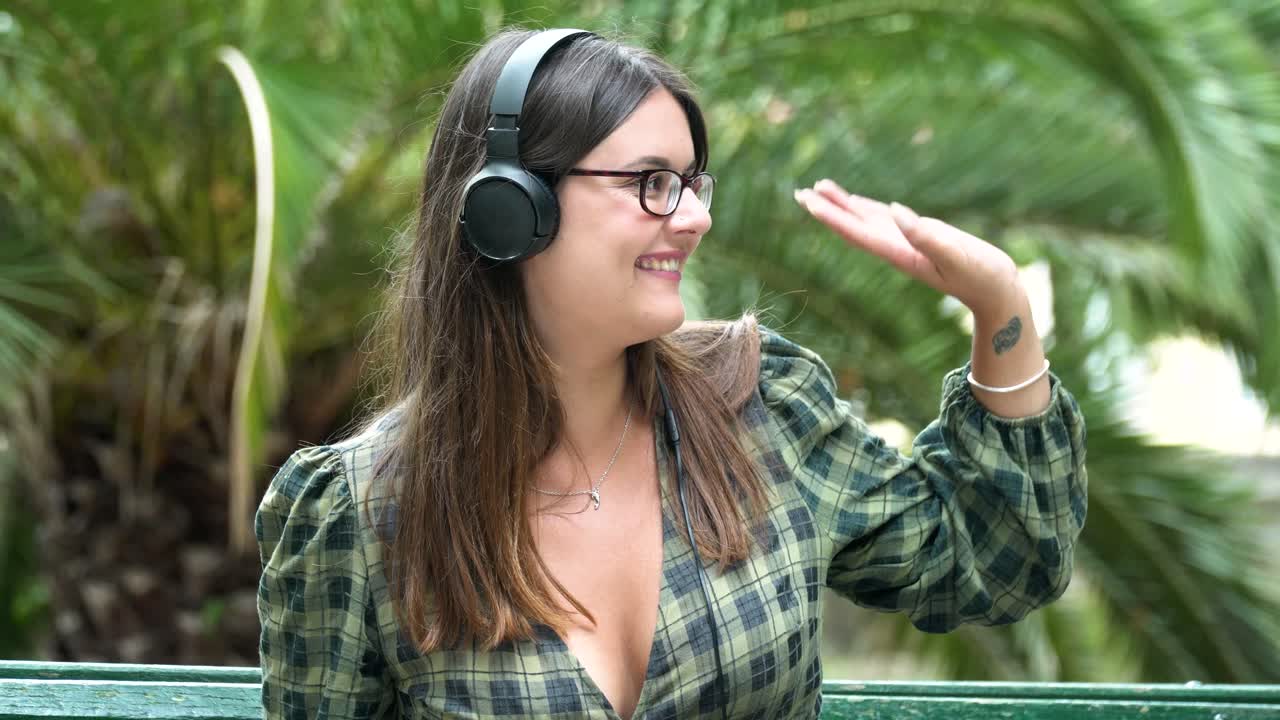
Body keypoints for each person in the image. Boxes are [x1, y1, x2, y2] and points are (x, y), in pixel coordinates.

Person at [255, 27, 1087, 720]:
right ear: (508, 207)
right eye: (652, 183)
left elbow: (996, 557)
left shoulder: (759, 409)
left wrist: (999, 303)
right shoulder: (358, 518)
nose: (695, 217)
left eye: (691, 181)